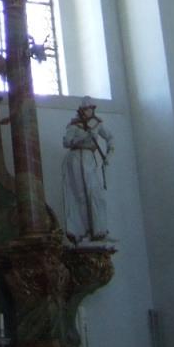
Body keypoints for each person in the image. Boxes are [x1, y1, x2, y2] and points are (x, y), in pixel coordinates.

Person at [62, 97, 114, 244]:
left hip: (89, 159)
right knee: (80, 195)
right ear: (81, 110)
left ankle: (100, 230)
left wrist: (109, 155)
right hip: (75, 159)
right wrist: (84, 137)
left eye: (91, 108)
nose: (89, 111)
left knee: (96, 194)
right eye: (86, 109)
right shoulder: (74, 125)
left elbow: (110, 138)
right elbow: (66, 142)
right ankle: (83, 231)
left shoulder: (97, 123)